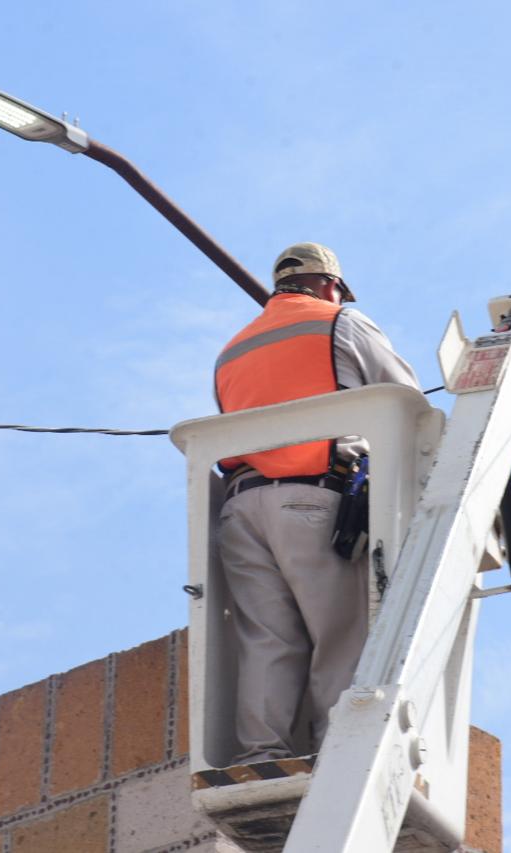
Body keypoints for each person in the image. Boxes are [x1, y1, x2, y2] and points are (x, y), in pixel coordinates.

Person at [213, 242, 420, 764]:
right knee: (342, 635)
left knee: (267, 641)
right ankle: (339, 755)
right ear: (331, 285)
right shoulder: (341, 322)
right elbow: (407, 406)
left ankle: (260, 755)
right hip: (311, 499)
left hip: (240, 510)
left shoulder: (232, 351)